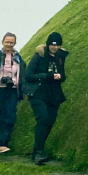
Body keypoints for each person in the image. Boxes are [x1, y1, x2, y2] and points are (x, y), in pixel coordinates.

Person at [24, 32, 68, 164]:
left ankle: (39, 149)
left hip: (53, 93)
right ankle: (37, 152)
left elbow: (62, 73)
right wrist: (48, 76)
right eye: (52, 45)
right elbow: (29, 75)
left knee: (50, 121)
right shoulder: (40, 55)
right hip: (39, 92)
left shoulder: (60, 57)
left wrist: (61, 76)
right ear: (48, 44)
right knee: (43, 119)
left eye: (57, 45)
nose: (54, 48)